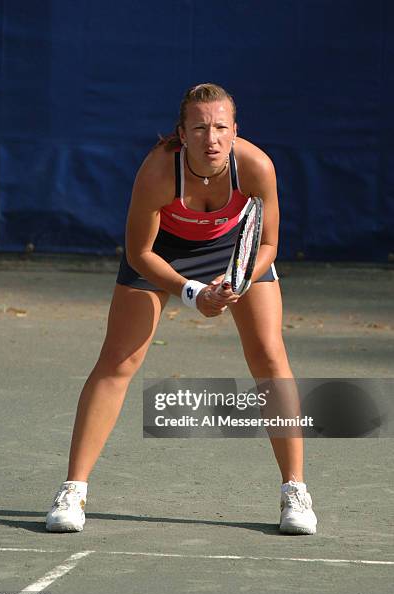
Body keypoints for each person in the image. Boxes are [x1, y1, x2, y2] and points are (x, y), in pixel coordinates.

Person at [46, 83, 317, 535]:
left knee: (271, 359)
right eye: (200, 127)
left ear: (235, 131)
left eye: (220, 127)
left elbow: (267, 243)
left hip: (235, 252)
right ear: (182, 132)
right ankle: (73, 490)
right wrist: (192, 293)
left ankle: (295, 492)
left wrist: (238, 279)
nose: (211, 138)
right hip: (163, 252)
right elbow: (139, 252)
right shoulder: (157, 172)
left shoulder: (255, 166)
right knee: (118, 361)